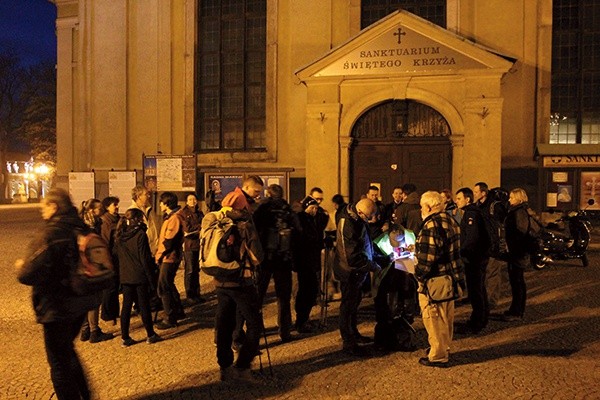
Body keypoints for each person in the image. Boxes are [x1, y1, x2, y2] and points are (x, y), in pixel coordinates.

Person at [17, 188, 97, 399]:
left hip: (56, 306)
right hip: (80, 301)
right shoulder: (82, 228)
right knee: (67, 350)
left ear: (54, 207)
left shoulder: (50, 233)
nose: (41, 211)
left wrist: (20, 266)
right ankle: (85, 395)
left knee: (59, 362)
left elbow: (27, 273)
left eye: (43, 207)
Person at [414, 191, 464, 367]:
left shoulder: (431, 225)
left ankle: (438, 355)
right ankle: (444, 347)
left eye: (421, 207)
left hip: (435, 280)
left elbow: (427, 260)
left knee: (433, 317)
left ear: (428, 207)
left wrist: (417, 275)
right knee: (446, 315)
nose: (421, 210)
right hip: (451, 277)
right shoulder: (451, 220)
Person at [334, 198, 382, 356]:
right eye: (368, 217)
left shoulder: (358, 218)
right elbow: (350, 256)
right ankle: (348, 342)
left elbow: (365, 241)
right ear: (360, 212)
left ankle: (353, 334)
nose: (370, 220)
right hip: (349, 271)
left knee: (354, 304)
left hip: (358, 270)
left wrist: (377, 254)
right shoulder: (347, 223)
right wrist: (372, 266)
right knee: (347, 307)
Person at [221, 175, 264, 351]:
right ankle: (236, 338)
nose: (258, 194)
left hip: (240, 259)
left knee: (235, 304)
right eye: (256, 191)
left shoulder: (245, 199)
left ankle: (233, 337)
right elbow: (226, 220)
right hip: (237, 260)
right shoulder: (236, 197)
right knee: (239, 304)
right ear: (247, 187)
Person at [253, 184, 300, 342]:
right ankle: (284, 331)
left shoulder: (263, 209)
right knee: (283, 297)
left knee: (258, 296)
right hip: (283, 258)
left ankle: (257, 329)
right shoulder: (287, 209)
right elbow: (298, 230)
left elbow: (254, 229)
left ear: (268, 194)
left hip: (265, 258)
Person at [114, 208, 162, 346]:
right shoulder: (140, 235)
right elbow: (144, 258)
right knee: (143, 305)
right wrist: (151, 278)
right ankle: (150, 334)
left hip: (126, 275)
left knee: (126, 307)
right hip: (139, 275)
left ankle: (125, 337)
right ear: (137, 219)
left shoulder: (120, 235)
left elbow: (117, 257)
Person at [454, 188, 489, 334]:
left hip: (474, 258)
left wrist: (462, 252)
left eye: (459, 198)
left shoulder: (471, 214)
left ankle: (477, 321)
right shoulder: (474, 212)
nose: (457, 201)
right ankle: (481, 317)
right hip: (478, 256)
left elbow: (472, 238)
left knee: (476, 290)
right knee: (479, 288)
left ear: (467, 199)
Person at [79, 198, 113, 343]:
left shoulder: (80, 223)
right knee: (93, 300)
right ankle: (94, 331)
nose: (102, 210)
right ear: (92, 210)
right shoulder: (92, 226)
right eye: (99, 208)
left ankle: (85, 329)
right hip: (90, 266)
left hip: (80, 267)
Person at [154, 191, 186, 330]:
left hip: (169, 256)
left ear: (166, 203)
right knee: (169, 283)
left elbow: (168, 241)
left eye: (161, 202)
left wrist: (159, 255)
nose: (160, 204)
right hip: (172, 255)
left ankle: (169, 317)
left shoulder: (174, 218)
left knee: (163, 286)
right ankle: (178, 311)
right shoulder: (173, 216)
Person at [294, 195, 325, 333]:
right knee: (305, 291)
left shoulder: (312, 219)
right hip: (304, 261)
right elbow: (304, 239)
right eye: (312, 207)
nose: (315, 210)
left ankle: (304, 318)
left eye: (316, 208)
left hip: (311, 260)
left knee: (311, 290)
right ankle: (301, 320)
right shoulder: (301, 219)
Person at [503, 188, 532, 321]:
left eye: (512, 197)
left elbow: (521, 231)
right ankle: (515, 309)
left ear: (519, 199)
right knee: (516, 281)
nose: (509, 200)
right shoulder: (517, 211)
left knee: (518, 281)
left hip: (518, 252)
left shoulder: (519, 212)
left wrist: (514, 247)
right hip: (516, 251)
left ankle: (517, 312)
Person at [474, 181, 502, 310]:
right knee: (483, 274)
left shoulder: (494, 206)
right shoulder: (477, 206)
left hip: (492, 245)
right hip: (481, 246)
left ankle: (491, 301)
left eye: (476, 192)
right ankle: (484, 298)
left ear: (483, 193)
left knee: (492, 273)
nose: (474, 194)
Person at [179, 193, 205, 304]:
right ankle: (189, 295)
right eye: (190, 199)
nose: (192, 201)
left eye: (194, 199)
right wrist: (199, 227)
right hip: (189, 245)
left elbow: (205, 224)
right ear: (186, 201)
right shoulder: (184, 213)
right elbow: (187, 229)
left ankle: (197, 294)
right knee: (189, 270)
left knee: (196, 270)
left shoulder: (200, 213)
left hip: (198, 245)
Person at [99, 196, 121, 323]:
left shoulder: (117, 219)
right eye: (114, 205)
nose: (117, 207)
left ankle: (114, 312)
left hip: (117, 256)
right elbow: (106, 241)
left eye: (117, 204)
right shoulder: (105, 221)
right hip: (110, 256)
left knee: (116, 284)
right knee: (110, 286)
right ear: (107, 207)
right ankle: (107, 313)